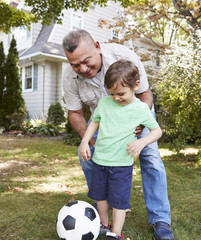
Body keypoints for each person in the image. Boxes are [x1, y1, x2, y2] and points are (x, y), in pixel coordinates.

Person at [62, 29, 174, 240]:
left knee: (150, 159)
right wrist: (90, 140)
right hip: (104, 120)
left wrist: (140, 124)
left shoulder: (124, 56)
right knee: (86, 156)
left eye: (86, 61)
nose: (83, 69)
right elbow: (75, 113)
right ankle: (102, 206)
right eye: (75, 65)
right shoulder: (70, 77)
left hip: (136, 115)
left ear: (97, 47)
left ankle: (160, 219)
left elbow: (145, 93)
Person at [80, 59, 162, 240]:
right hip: (99, 160)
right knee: (100, 197)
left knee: (118, 201)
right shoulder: (104, 103)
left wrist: (142, 143)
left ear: (136, 86)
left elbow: (157, 131)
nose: (117, 98)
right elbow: (95, 122)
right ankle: (103, 225)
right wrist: (85, 141)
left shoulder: (140, 109)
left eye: (121, 93)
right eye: (113, 93)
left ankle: (115, 234)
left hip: (121, 165)